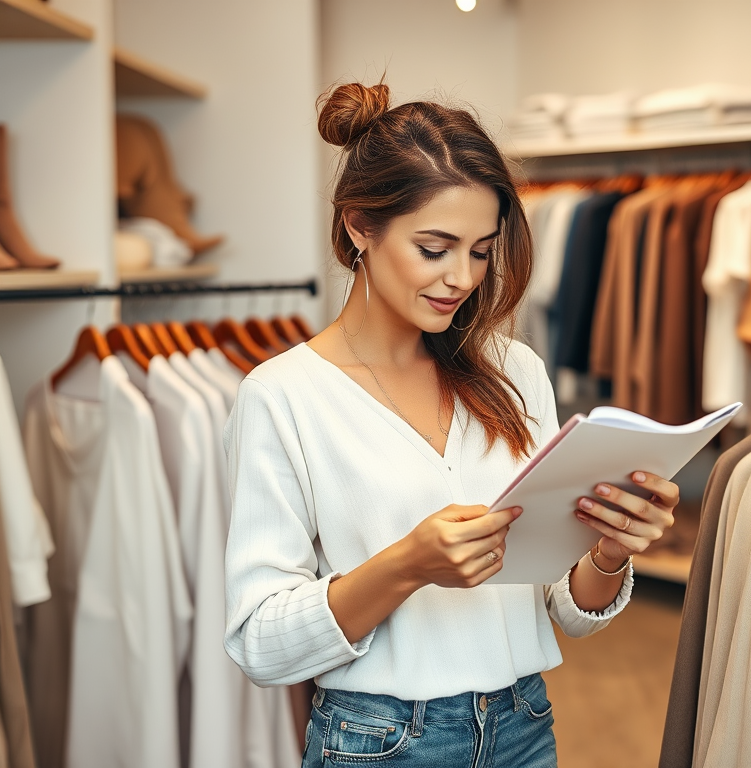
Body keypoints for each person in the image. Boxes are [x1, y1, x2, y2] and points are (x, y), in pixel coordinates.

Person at [222, 81, 679, 768]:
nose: (462, 278)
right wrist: (408, 565)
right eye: (434, 249)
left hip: (524, 725)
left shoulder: (514, 370)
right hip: (378, 743)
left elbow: (565, 605)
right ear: (358, 226)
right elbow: (261, 643)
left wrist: (610, 551)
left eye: (481, 250)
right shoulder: (282, 398)